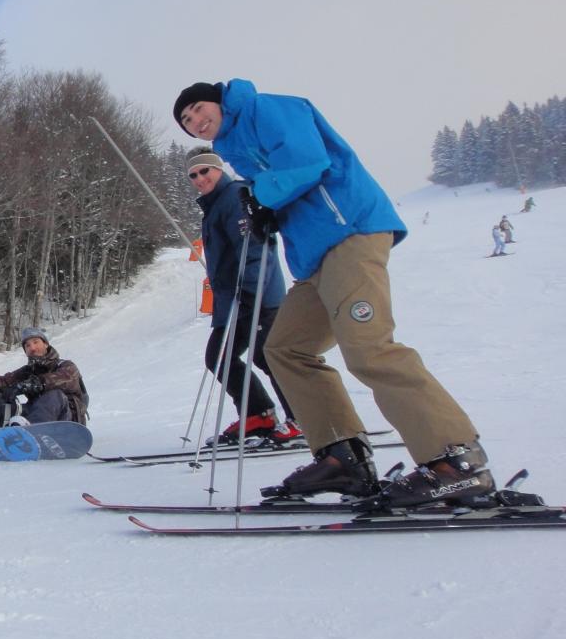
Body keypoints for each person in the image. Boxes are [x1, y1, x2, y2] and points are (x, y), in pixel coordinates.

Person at [175, 79, 494, 509]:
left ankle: (456, 462)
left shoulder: (265, 109)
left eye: (197, 109)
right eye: (187, 122)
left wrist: (262, 198)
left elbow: (307, 162)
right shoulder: (235, 145)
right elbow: (277, 189)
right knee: (286, 348)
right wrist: (267, 209)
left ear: (217, 98)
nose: (196, 122)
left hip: (350, 232)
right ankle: (343, 457)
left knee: (370, 349)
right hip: (314, 257)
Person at [185, 146, 299, 446]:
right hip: (232, 299)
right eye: (193, 175)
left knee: (268, 355)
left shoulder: (236, 197)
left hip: (256, 294)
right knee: (220, 357)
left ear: (218, 169)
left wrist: (249, 290)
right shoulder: (214, 205)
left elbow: (254, 248)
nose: (199, 178)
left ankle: (302, 418)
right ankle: (258, 414)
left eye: (204, 171)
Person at [0, 327, 88, 432]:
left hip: (68, 421)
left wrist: (37, 383)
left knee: (54, 395)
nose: (32, 348)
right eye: (27, 345)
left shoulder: (66, 366)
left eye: (36, 342)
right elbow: (6, 380)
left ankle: (31, 434)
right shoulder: (28, 372)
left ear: (46, 344)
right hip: (35, 419)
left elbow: (61, 379)